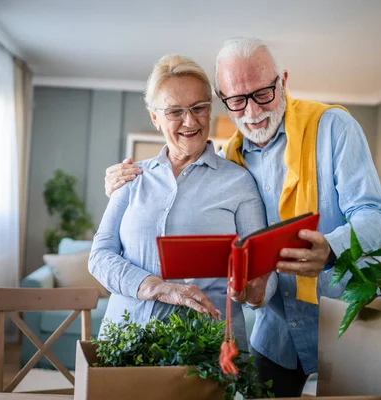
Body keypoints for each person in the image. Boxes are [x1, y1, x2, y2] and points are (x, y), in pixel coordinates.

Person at [104, 38, 381, 397]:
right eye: (237, 100)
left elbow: (377, 218)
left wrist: (330, 249)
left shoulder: (332, 128)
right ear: (224, 101)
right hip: (276, 332)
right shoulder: (232, 156)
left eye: (263, 94)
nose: (252, 111)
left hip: (341, 321)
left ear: (283, 82)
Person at [89, 54, 270, 353]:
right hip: (126, 341)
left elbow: (260, 268)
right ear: (155, 117)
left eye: (199, 108)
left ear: (210, 109)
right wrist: (158, 288)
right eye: (175, 111)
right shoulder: (130, 177)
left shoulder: (239, 182)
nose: (190, 121)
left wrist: (257, 290)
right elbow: (99, 255)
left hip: (207, 349)